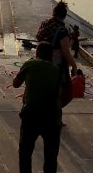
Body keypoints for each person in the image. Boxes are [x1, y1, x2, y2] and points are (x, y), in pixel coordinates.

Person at [13, 42, 62, 173]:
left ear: (37, 53)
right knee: (51, 157)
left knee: (25, 153)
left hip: (31, 115)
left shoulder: (30, 64)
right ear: (51, 55)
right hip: (52, 117)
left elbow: (15, 84)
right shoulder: (56, 69)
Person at [35, 0, 77, 108]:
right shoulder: (62, 30)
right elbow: (65, 51)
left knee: (45, 91)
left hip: (41, 61)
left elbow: (38, 37)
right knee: (66, 94)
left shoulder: (44, 23)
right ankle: (53, 114)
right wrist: (74, 65)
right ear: (64, 16)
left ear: (53, 13)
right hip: (57, 67)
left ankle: (46, 113)